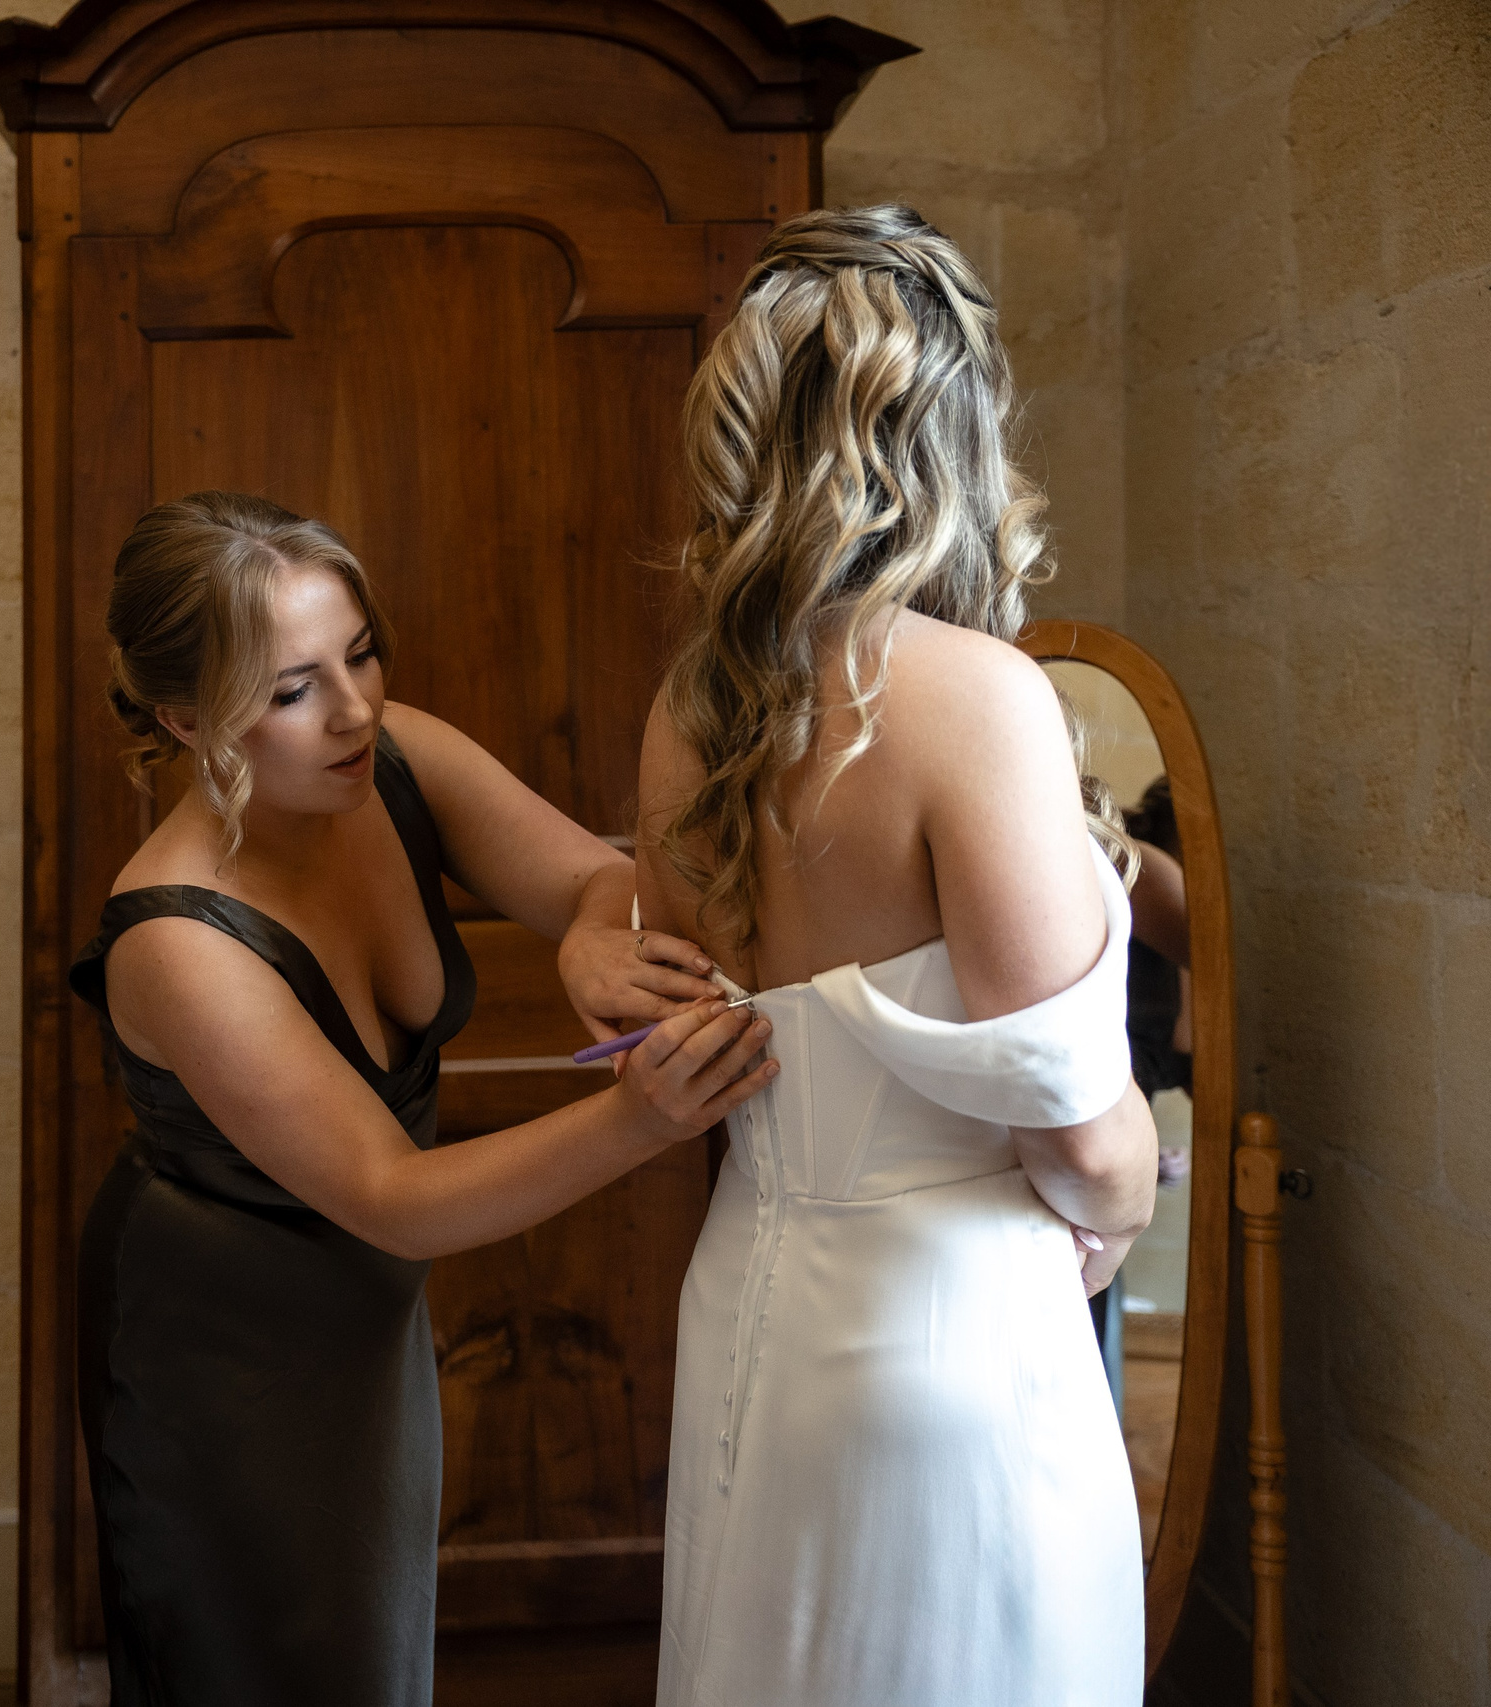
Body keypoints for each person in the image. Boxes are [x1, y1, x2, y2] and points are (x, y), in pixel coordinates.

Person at [71, 491, 772, 1705]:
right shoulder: (173, 939)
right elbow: (391, 1197)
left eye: (359, 653)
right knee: (254, 1666)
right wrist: (641, 1118)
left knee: (371, 1661)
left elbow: (600, 881)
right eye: (290, 690)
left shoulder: (393, 759)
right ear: (186, 717)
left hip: (364, 1325)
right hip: (213, 1352)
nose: (352, 709)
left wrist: (586, 940)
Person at [638, 206, 1157, 1706]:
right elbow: (1071, 1109)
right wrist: (1122, 1203)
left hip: (747, 1306)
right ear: (955, 431)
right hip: (955, 1335)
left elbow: (695, 1011)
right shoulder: (974, 698)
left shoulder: (690, 715)